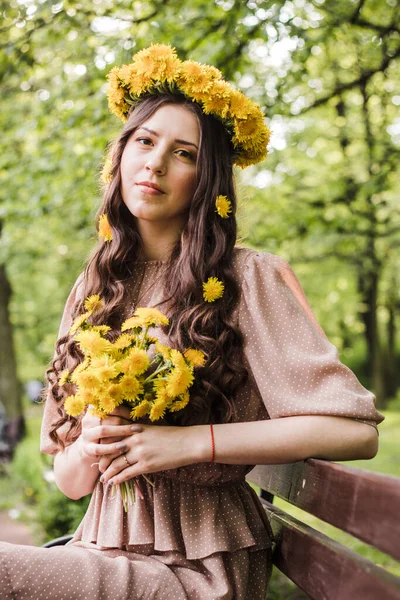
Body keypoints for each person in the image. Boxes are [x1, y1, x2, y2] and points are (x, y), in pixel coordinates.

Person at [0, 44, 384, 600]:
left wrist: (188, 444)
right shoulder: (96, 286)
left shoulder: (249, 278)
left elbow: (353, 430)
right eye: (145, 141)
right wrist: (89, 442)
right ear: (122, 154)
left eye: (184, 154)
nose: (155, 163)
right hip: (101, 546)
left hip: (196, 570)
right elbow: (70, 481)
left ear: (207, 181)